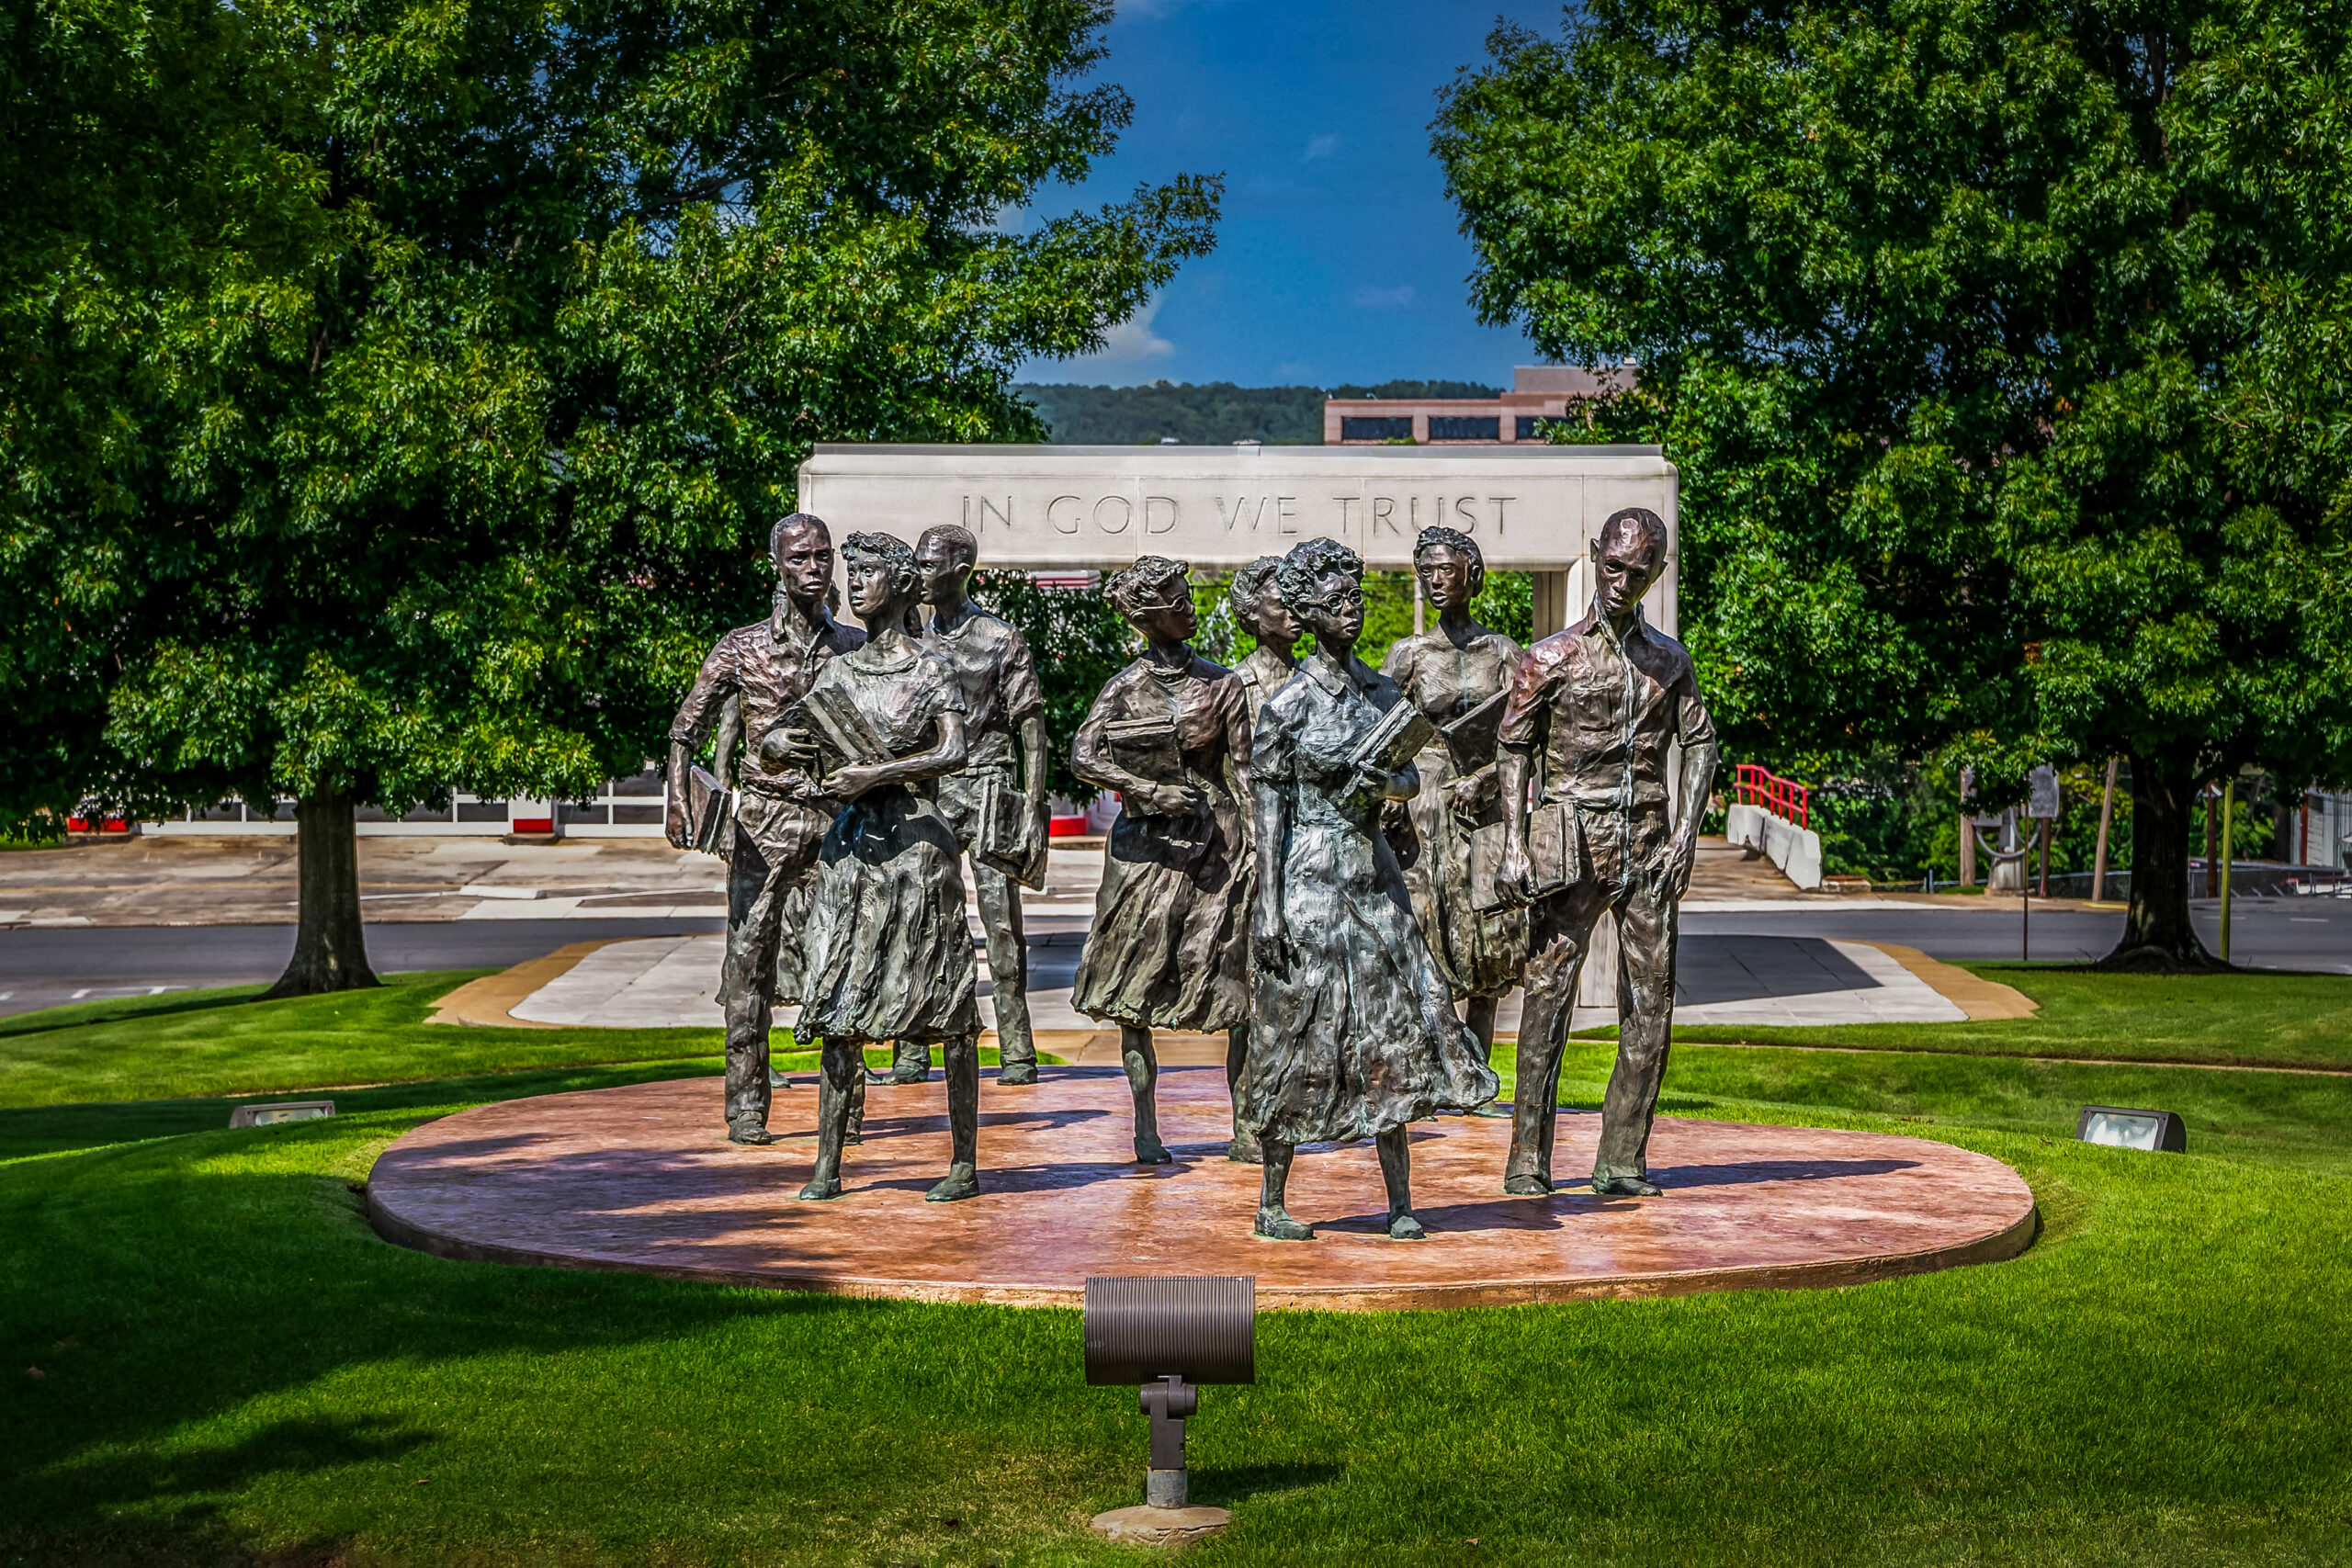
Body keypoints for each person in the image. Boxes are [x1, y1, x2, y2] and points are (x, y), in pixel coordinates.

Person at [1238, 537, 1500, 1242]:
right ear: (1309, 612)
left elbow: (1411, 776)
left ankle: (1400, 1201)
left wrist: (1386, 783)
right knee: (1294, 1031)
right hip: (1307, 878)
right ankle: (1272, 1198)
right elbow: (1268, 815)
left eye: (1356, 599)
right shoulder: (1289, 705)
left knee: (1392, 1031)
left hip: (1374, 874)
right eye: (1336, 601)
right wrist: (1267, 911)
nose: (1350, 611)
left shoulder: (1385, 693)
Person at [1492, 506, 1719, 1197]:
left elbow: (1702, 743)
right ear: (1596, 556)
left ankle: (1622, 1159)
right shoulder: (1549, 657)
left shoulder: (1669, 662)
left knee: (1651, 1005)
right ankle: (1528, 1157)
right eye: (1613, 564)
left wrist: (1687, 835)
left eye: (1638, 569)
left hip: (1649, 844)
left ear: (1658, 572)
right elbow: (1512, 749)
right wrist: (1511, 841)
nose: (1622, 580)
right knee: (1547, 998)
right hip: (1570, 839)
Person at [785, 532, 984, 1202]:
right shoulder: (837, 672)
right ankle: (828, 1163)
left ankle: (963, 1162)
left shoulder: (932, 669)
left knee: (948, 1007)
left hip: (917, 854)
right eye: (852, 573)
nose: (854, 584)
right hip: (852, 851)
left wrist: (882, 770)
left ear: (899, 585)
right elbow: (803, 741)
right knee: (840, 1002)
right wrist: (785, 745)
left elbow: (955, 750)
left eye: (867, 572)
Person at [666, 513, 864, 1145]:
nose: (816, 567)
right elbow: (685, 729)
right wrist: (679, 797)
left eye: (824, 556)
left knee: (842, 962)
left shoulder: (855, 647)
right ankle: (746, 1105)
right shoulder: (742, 645)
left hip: (837, 819)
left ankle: (846, 1107)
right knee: (748, 961)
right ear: (779, 565)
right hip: (764, 819)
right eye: (803, 557)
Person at [1069, 556, 1254, 1165]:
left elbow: (1245, 775)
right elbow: (1083, 754)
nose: (1190, 606)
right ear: (1149, 618)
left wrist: (1260, 849)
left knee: (1235, 987)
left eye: (1188, 594)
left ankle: (1246, 1125)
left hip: (1213, 853)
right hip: (1145, 854)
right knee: (1132, 990)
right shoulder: (1124, 687)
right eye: (1176, 600)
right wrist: (1146, 790)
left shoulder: (1224, 686)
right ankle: (1145, 1125)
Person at [864, 525, 1052, 1089]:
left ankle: (1017, 1053)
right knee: (917, 919)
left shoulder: (999, 638)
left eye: (929, 563)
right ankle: (911, 1052)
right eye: (915, 562)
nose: (918, 572)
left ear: (961, 568)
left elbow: (1031, 727)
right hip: (930, 790)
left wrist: (1034, 805)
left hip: (991, 786)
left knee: (1001, 928)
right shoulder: (910, 642)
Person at [1380, 527, 1529, 1101]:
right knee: (1427, 936)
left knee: (1488, 938)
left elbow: (1530, 737)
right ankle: (1434, 1073)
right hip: (1425, 808)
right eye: (1426, 570)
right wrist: (1391, 801)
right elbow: (1380, 738)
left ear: (1471, 572)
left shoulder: (1505, 654)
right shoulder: (1408, 656)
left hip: (1486, 807)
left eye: (1444, 568)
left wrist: (1489, 777)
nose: (1434, 580)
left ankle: (1481, 1077)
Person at [1216, 557, 1301, 1164]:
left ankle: (1297, 1109)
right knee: (1254, 1001)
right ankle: (1248, 1119)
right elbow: (1238, 778)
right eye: (1282, 602)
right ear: (1252, 614)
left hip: (1315, 849)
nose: (1295, 612)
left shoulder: (1320, 679)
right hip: (1257, 857)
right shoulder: (1237, 686)